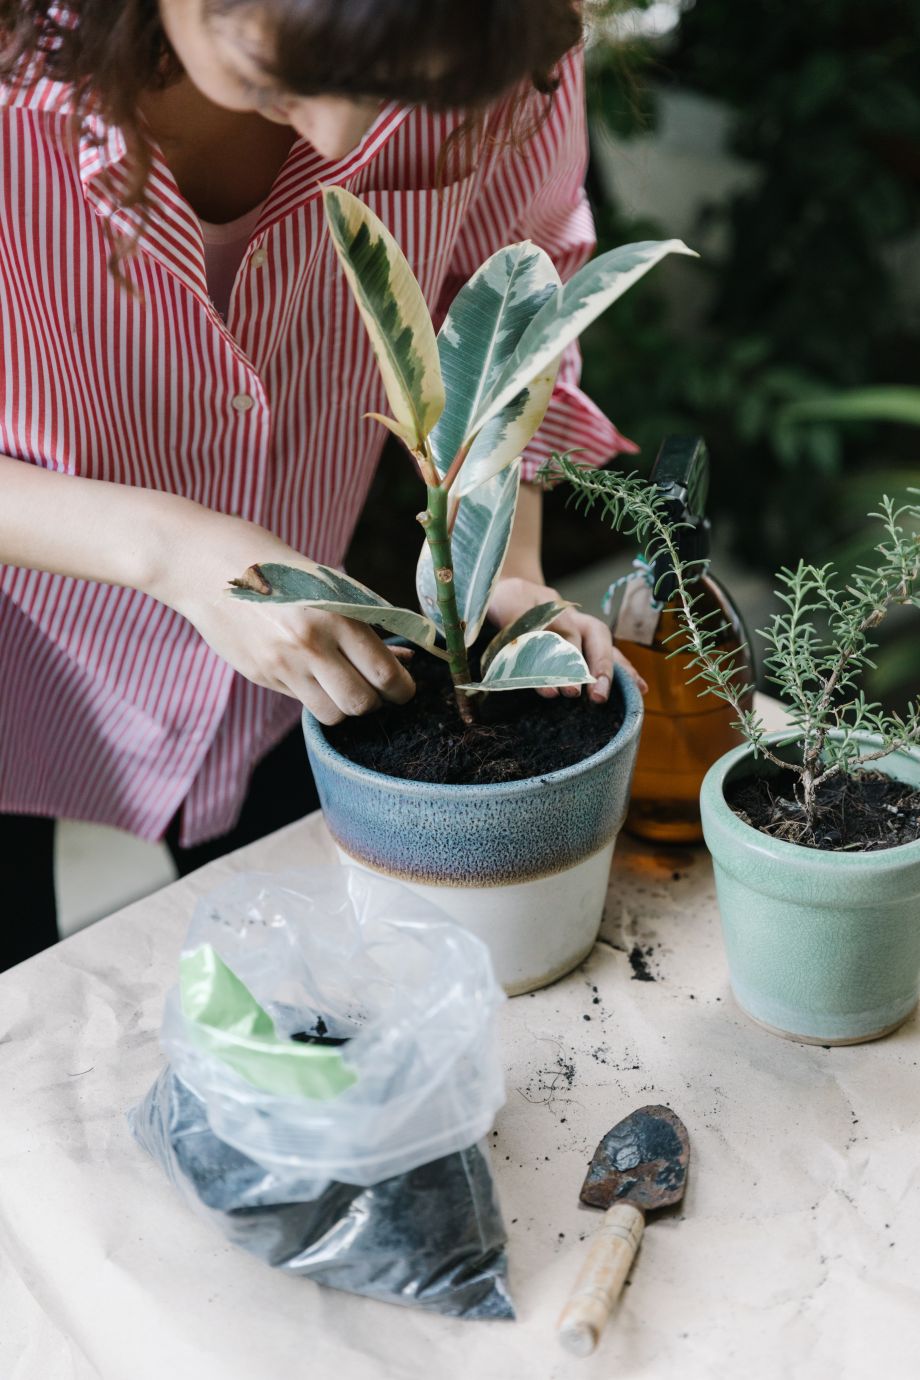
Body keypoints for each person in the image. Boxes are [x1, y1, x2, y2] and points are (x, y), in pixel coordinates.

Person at [0, 0, 642, 972]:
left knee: (308, 992)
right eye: (274, 80)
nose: (347, 142)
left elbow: (516, 314)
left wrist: (503, 567)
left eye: (402, 93)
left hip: (275, 683)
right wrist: (171, 548)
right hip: (23, 649)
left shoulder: (499, 36)